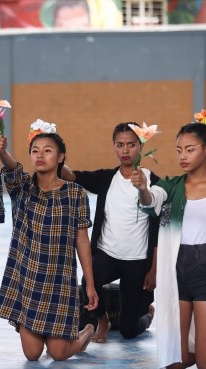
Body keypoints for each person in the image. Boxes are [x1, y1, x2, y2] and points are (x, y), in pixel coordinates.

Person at [131, 122, 206, 369]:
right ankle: (198, 348)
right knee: (174, 365)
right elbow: (151, 202)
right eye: (178, 150)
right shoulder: (171, 186)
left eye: (190, 149)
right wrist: (142, 188)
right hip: (177, 273)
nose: (183, 156)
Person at [0, 122, 98, 361]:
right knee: (32, 354)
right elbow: (12, 169)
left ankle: (85, 332)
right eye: (35, 150)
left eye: (48, 150)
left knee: (58, 354)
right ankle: (37, 328)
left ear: (61, 156)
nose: (40, 155)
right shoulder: (22, 188)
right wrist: (1, 152)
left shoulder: (75, 193)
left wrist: (90, 284)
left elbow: (82, 241)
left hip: (59, 282)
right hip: (28, 280)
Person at [61, 122, 158, 343]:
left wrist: (153, 269)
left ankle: (148, 313)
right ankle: (103, 320)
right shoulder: (107, 178)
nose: (125, 150)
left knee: (128, 330)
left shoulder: (153, 182)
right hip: (109, 254)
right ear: (114, 146)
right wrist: (56, 154)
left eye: (131, 145)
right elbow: (72, 176)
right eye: (120, 144)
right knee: (89, 278)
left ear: (141, 146)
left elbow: (159, 229)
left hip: (137, 260)